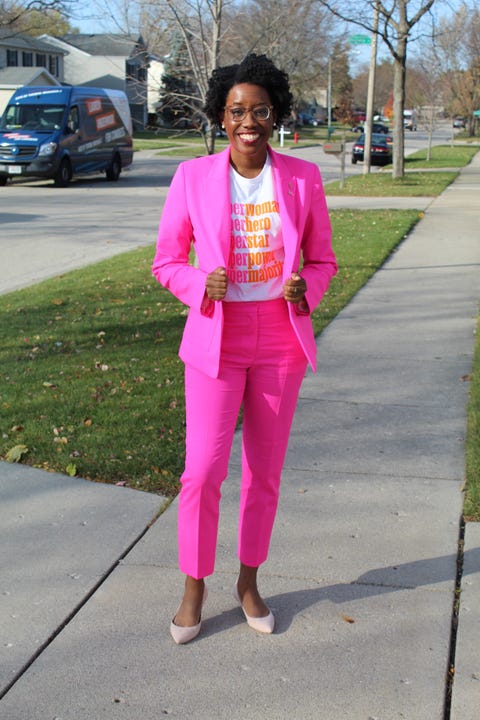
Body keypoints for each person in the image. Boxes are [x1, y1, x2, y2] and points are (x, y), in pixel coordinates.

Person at [152, 53, 337, 644]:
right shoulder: (193, 177)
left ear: (275, 114)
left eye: (260, 110)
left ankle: (249, 581)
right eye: (237, 111)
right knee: (202, 472)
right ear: (220, 117)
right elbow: (165, 261)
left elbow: (324, 259)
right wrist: (194, 282)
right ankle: (194, 585)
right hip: (218, 337)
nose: (248, 120)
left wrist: (308, 290)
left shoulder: (303, 178)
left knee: (265, 473)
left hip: (281, 338)